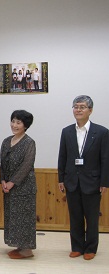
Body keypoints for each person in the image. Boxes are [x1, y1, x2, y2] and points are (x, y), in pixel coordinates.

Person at [58, 95, 109, 260]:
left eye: (82, 107)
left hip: (92, 181)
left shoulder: (101, 132)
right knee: (75, 215)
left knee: (92, 217)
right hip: (72, 180)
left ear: (90, 110)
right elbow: (62, 157)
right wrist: (61, 178)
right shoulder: (67, 131)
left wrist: (104, 181)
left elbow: (105, 159)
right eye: (75, 106)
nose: (78, 110)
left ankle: (91, 248)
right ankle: (77, 247)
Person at [0, 110, 36, 259]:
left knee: (24, 218)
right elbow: (2, 163)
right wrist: (2, 181)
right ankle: (19, 246)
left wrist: (12, 182)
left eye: (18, 122)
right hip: (8, 187)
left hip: (24, 187)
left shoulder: (29, 142)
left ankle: (27, 250)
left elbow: (27, 165)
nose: (14, 125)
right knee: (13, 217)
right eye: (13, 121)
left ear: (25, 125)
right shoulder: (6, 141)